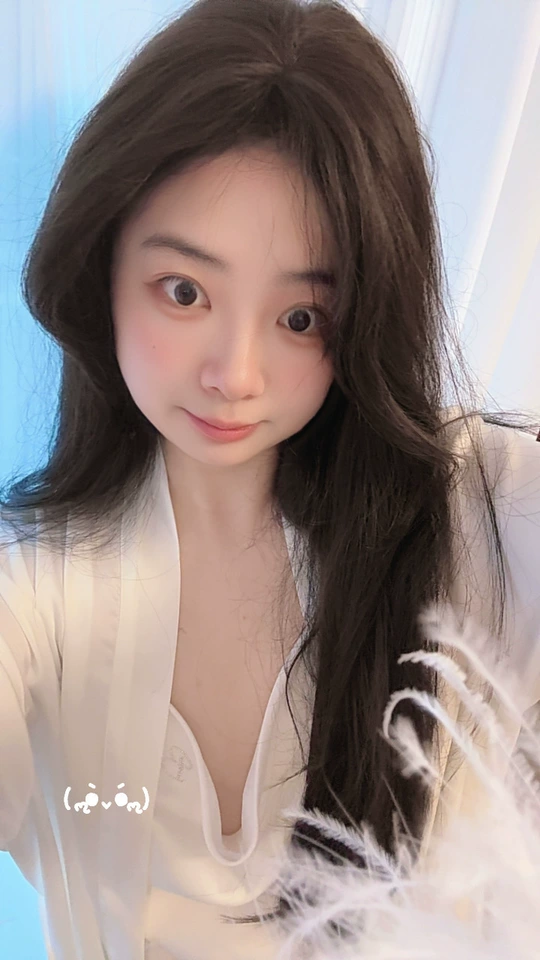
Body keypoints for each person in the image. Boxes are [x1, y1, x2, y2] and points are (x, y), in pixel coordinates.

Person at [1, 0, 539, 958]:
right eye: (186, 292)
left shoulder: (480, 512)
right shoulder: (34, 582)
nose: (236, 375)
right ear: (101, 261)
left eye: (300, 319)